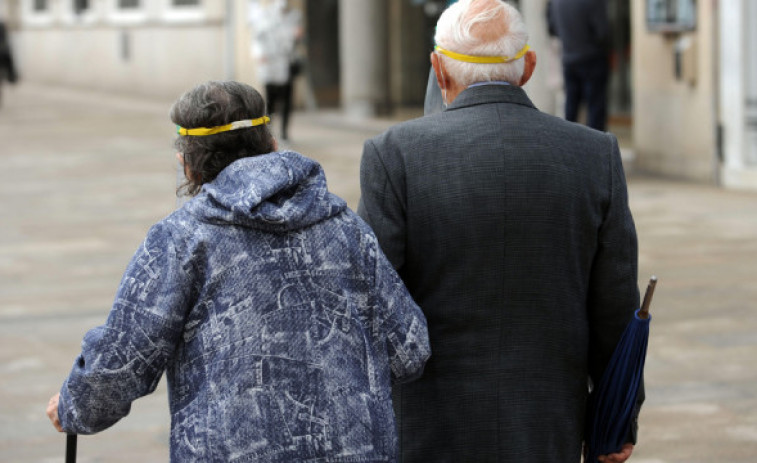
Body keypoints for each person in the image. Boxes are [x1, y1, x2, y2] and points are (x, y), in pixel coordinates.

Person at [46, 80, 430, 462]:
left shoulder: (180, 240)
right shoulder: (344, 225)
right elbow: (410, 351)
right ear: (273, 145)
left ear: (188, 167)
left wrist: (73, 406)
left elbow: (119, 365)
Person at [357, 1, 641, 462]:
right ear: (529, 66)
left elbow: (371, 304)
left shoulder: (394, 155)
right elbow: (614, 305)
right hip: (549, 421)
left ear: (438, 71)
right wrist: (617, 417)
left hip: (429, 422)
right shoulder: (595, 154)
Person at [547, 0, 611, 131]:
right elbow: (602, 32)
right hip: (592, 59)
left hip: (569, 59)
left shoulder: (556, 2)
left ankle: (569, 145)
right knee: (595, 108)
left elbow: (552, 29)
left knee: (571, 107)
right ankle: (595, 148)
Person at [252, 0, 302, 141]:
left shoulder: (294, 16)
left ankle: (284, 132)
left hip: (286, 63)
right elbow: (258, 38)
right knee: (270, 100)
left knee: (287, 99)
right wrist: (260, 54)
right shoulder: (265, 16)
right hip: (271, 65)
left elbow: (294, 39)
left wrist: (296, 35)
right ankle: (269, 131)